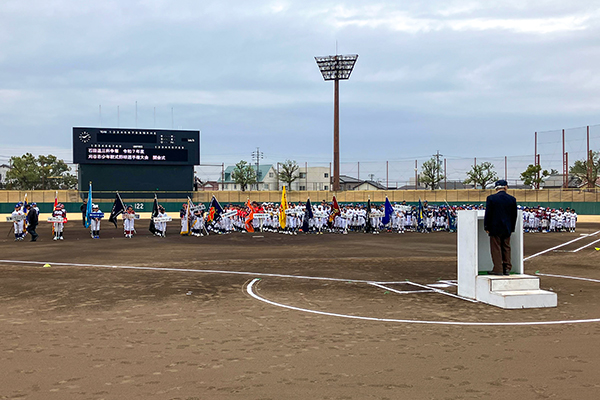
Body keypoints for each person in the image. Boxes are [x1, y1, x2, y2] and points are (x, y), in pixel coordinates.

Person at [484, 179, 518, 275]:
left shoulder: (491, 198)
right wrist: (512, 228)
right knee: (506, 247)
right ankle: (507, 268)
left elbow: (488, 214)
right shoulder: (512, 199)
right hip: (507, 227)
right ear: (506, 187)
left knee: (496, 248)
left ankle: (498, 268)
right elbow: (514, 215)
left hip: (495, 227)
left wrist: (486, 226)